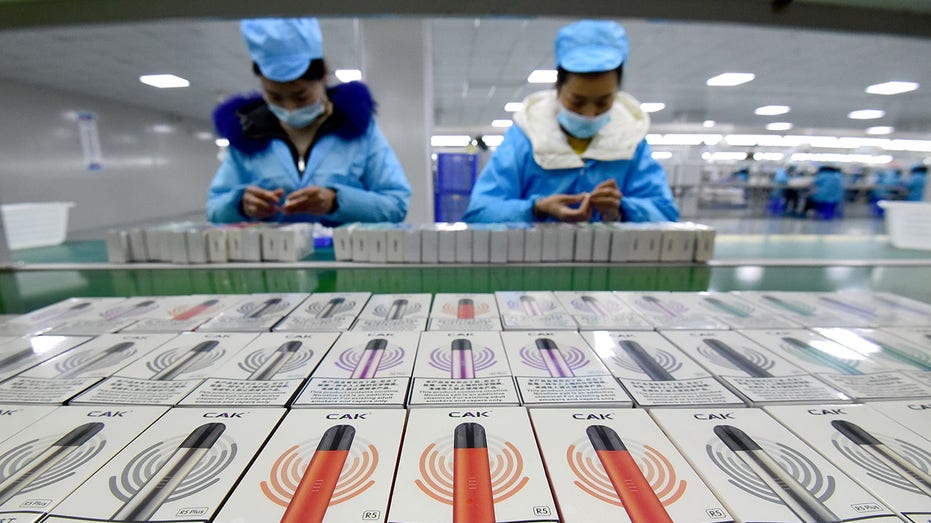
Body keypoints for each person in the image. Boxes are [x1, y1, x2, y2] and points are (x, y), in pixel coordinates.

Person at [462, 20, 678, 223]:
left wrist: (622, 208)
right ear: (557, 88)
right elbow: (480, 213)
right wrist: (536, 209)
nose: (590, 114)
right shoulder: (526, 137)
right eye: (577, 101)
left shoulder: (631, 139)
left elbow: (666, 215)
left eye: (603, 102)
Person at [207, 18, 411, 225]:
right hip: (275, 247)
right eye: (275, 97)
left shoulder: (359, 130)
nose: (289, 108)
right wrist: (240, 204)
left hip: (342, 247)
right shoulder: (247, 133)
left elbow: (396, 204)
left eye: (301, 97)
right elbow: (214, 209)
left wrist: (336, 201)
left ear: (323, 76)